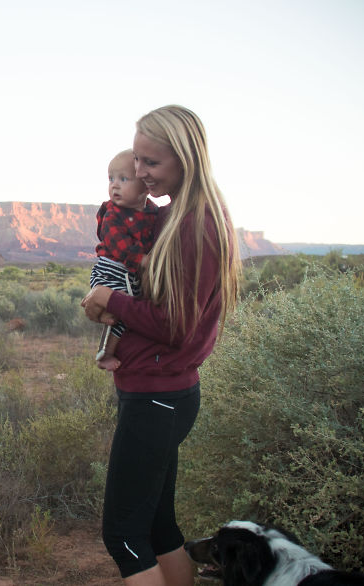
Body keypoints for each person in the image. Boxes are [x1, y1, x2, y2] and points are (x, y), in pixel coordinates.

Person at [81, 105, 241, 586]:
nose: (140, 173)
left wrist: (109, 298)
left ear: (185, 158)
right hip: (161, 392)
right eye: (137, 161)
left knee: (124, 536)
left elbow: (177, 326)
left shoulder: (196, 224)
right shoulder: (174, 216)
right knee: (157, 524)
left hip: (158, 395)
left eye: (151, 163)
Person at [90, 149, 158, 371]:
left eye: (123, 179)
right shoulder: (113, 213)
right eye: (111, 179)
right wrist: (143, 260)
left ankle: (106, 352)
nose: (114, 185)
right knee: (121, 312)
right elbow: (120, 245)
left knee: (127, 313)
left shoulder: (152, 212)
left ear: (145, 186)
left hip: (129, 274)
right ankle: (105, 354)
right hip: (111, 271)